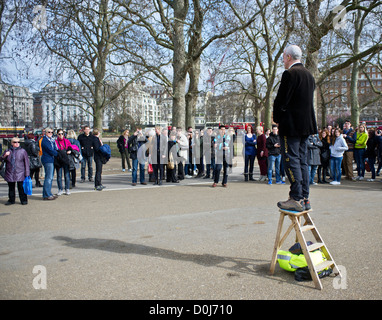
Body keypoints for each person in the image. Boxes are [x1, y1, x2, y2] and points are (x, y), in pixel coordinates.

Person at [273, 44, 318, 212]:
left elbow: (281, 101)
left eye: (284, 57)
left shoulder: (290, 74)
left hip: (291, 125)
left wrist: (277, 118)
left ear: (289, 57)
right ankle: (305, 197)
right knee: (302, 161)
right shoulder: (309, 75)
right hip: (305, 125)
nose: (283, 61)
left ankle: (296, 197)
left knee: (291, 160)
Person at [1, 137, 30, 205]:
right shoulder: (8, 150)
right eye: (15, 142)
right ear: (12, 143)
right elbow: (1, 159)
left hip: (20, 172)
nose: (17, 143)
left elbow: (26, 162)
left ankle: (23, 200)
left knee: (21, 187)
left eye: (18, 142)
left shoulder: (23, 151)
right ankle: (11, 200)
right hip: (10, 171)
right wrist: (5, 155)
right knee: (11, 187)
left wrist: (27, 173)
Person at [40, 127, 58, 200]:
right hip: (47, 159)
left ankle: (47, 193)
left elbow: (55, 148)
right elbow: (50, 150)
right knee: (49, 178)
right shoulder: (45, 140)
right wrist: (58, 153)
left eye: (51, 132)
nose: (50, 134)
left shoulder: (51, 140)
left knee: (50, 177)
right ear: (46, 133)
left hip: (51, 159)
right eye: (49, 132)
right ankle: (47, 194)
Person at [55, 129, 73, 196]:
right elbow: (55, 149)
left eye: (62, 134)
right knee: (59, 175)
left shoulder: (67, 141)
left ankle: (67, 188)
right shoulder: (55, 142)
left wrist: (69, 151)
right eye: (59, 134)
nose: (61, 135)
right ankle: (60, 189)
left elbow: (70, 147)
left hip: (65, 159)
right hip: (59, 160)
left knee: (67, 175)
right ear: (57, 134)